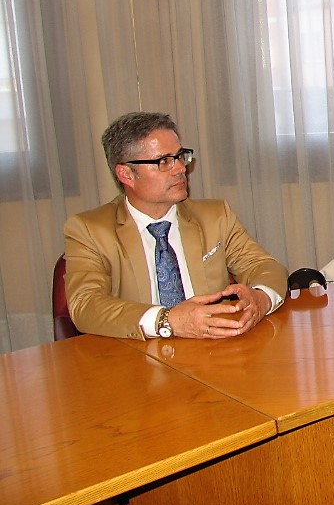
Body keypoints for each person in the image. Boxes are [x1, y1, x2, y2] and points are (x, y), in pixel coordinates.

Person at [63, 112, 288, 340]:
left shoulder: (215, 216)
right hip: (136, 353)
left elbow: (264, 266)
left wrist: (261, 298)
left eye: (180, 156)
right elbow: (86, 304)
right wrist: (167, 320)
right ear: (126, 174)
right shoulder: (89, 229)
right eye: (164, 161)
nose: (180, 168)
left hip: (214, 349)